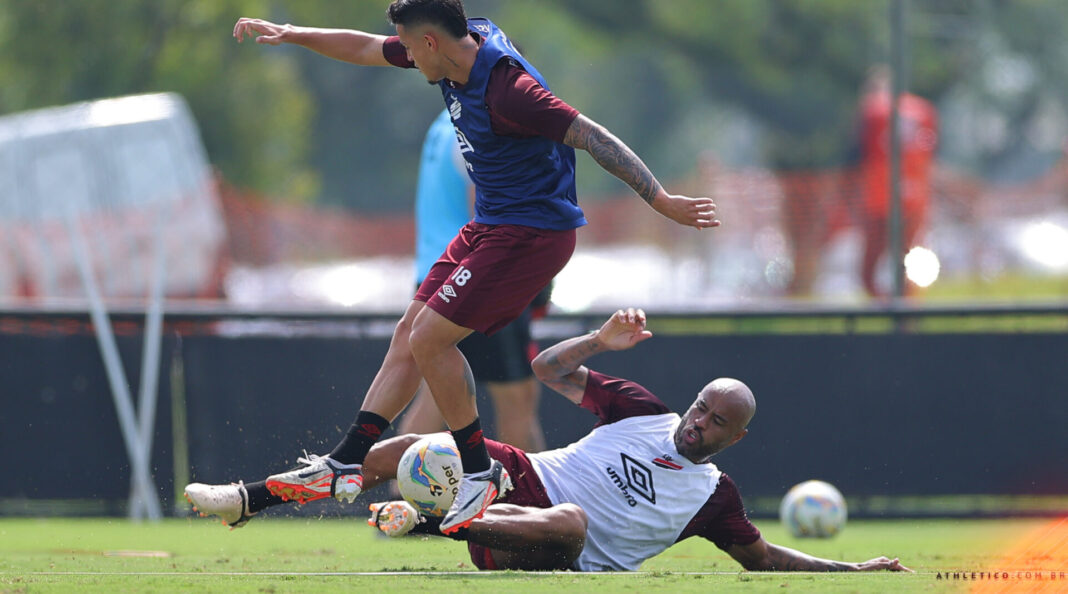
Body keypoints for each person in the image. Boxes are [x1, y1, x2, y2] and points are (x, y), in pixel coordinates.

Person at [220, 0, 719, 534]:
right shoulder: (456, 50)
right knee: (410, 334)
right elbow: (365, 48)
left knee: (433, 340)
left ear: (431, 42)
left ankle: (478, 472)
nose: (406, 58)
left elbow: (593, 136)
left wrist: (660, 198)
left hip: (533, 235)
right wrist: (291, 33)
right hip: (491, 225)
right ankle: (346, 459)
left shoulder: (510, 91)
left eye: (411, 47)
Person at [187, 308, 911, 574]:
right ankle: (248, 498)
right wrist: (601, 339)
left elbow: (760, 560)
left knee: (573, 524)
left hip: (542, 544)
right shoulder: (640, 410)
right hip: (518, 479)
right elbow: (547, 369)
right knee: (395, 454)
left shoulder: (714, 499)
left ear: (737, 437)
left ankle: (432, 521)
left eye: (716, 422)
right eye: (699, 408)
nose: (698, 423)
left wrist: (847, 572)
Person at [402, 107, 547, 452]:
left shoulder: (443, 122)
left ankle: (397, 499)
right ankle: (517, 498)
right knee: (516, 395)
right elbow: (487, 217)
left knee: (435, 397)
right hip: (473, 279)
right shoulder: (481, 125)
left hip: (436, 273)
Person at [852, 65, 938, 298]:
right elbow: (931, 150)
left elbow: (858, 151)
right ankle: (905, 312)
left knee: (869, 269)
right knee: (908, 260)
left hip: (880, 198)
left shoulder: (871, 111)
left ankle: (885, 310)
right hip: (913, 198)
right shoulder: (922, 109)